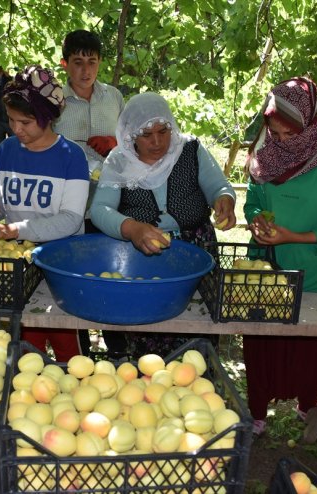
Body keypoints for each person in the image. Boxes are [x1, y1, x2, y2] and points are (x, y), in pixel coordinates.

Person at [242, 77, 317, 437]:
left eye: (288, 135)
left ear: (309, 124)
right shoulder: (266, 160)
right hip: (268, 268)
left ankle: (308, 406)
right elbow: (253, 201)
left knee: (310, 347)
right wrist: (257, 222)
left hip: (316, 273)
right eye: (274, 135)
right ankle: (258, 412)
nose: (280, 143)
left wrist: (293, 236)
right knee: (262, 339)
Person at [89, 91, 236, 357]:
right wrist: (132, 228)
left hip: (195, 253)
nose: (157, 141)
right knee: (148, 330)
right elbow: (100, 209)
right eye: (146, 135)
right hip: (144, 254)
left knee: (197, 326)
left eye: (163, 131)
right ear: (132, 134)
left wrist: (224, 198)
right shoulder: (119, 161)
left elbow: (218, 185)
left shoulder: (190, 149)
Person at [0, 65, 89, 362]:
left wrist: (14, 230)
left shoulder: (71, 157)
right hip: (19, 267)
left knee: (67, 351)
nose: (16, 129)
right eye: (11, 120)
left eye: (25, 121)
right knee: (26, 345)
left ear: (48, 117)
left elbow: (70, 220)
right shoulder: (7, 151)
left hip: (60, 268)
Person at [52, 29, 126, 357]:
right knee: (74, 279)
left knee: (112, 277)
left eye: (92, 62)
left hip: (108, 203)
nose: (85, 70)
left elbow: (131, 144)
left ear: (100, 64)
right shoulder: (54, 99)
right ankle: (79, 358)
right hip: (67, 205)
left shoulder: (114, 98)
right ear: (65, 64)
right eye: (78, 62)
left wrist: (115, 145)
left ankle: (118, 352)